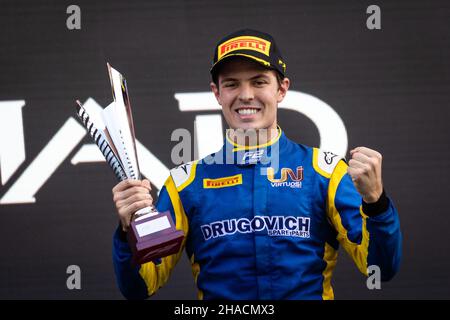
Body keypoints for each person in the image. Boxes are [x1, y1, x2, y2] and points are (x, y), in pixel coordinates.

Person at [112, 29, 402, 300]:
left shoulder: (324, 173)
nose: (246, 94)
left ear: (282, 89)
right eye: (232, 84)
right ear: (217, 93)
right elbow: (141, 286)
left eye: (259, 81)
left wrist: (376, 203)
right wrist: (128, 235)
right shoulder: (185, 183)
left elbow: (379, 268)